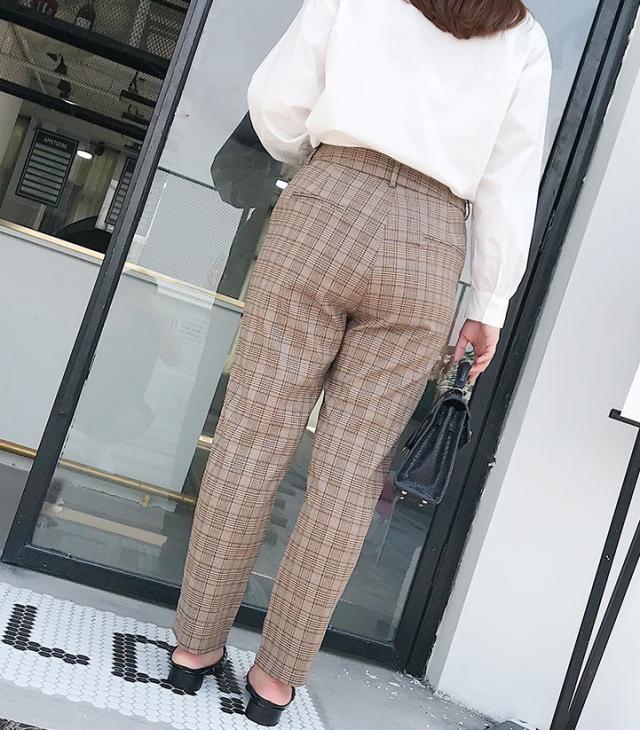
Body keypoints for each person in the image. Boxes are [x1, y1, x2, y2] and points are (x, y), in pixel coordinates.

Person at [168, 0, 552, 725]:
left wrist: (312, 157)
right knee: (350, 473)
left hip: (327, 199)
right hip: (431, 239)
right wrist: (489, 301)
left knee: (251, 436)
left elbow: (276, 100)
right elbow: (510, 179)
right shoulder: (523, 38)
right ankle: (275, 682)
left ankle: (194, 649)